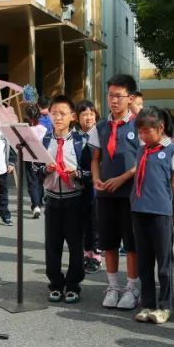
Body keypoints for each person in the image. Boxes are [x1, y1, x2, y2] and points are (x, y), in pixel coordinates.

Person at [89, 74, 143, 310]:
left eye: (118, 96)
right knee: (108, 242)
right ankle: (112, 286)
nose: (113, 100)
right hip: (105, 194)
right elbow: (95, 158)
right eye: (110, 95)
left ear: (130, 98)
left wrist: (122, 178)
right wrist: (96, 179)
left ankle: (132, 287)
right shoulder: (101, 126)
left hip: (130, 193)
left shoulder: (139, 125)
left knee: (131, 244)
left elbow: (143, 161)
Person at [130, 107, 174, 324]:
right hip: (139, 210)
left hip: (161, 212)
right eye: (140, 132)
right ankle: (148, 303)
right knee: (144, 262)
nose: (143, 136)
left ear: (160, 128)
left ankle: (165, 305)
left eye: (147, 131)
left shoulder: (172, 150)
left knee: (164, 262)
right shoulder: (142, 149)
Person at [42, 96, 92, 303]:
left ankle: (73, 285)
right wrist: (45, 169)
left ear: (72, 116)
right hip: (52, 199)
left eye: (62, 114)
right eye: (54, 113)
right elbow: (34, 168)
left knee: (75, 245)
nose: (58, 117)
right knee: (52, 245)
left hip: (75, 200)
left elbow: (92, 171)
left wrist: (78, 173)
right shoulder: (44, 140)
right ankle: (55, 284)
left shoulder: (82, 141)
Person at [76, 100, 102, 272]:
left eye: (91, 114)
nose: (88, 117)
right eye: (84, 114)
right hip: (78, 184)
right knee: (84, 219)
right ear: (77, 118)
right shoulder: (74, 136)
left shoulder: (101, 133)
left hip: (97, 183)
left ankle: (97, 254)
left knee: (97, 219)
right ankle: (86, 253)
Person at [24, 103, 47, 217]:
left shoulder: (25, 130)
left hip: (29, 158)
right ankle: (40, 202)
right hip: (42, 157)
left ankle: (36, 205)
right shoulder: (43, 129)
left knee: (32, 182)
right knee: (40, 181)